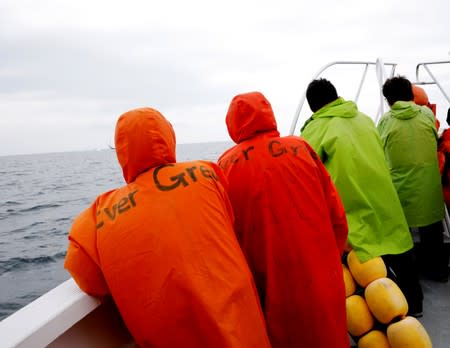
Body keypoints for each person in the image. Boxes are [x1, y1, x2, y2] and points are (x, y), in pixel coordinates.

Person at [64, 108, 271, 348]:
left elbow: (89, 279)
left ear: (122, 152)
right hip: (247, 335)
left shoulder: (96, 216)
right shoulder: (207, 173)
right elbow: (228, 220)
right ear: (169, 139)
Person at [218, 92, 349, 348]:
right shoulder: (301, 147)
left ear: (232, 125)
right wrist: (329, 261)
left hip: (271, 288)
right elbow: (337, 214)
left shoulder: (225, 167)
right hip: (321, 276)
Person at [301, 78, 423, 316]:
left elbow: (307, 169)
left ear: (314, 107)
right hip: (385, 199)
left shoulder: (315, 129)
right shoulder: (365, 119)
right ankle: (414, 304)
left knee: (364, 266)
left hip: (352, 206)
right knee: (397, 247)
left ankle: (381, 318)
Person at [379, 76, 448, 283]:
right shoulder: (427, 115)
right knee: (433, 233)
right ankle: (439, 271)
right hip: (430, 192)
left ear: (388, 101)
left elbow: (380, 151)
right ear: (411, 95)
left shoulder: (385, 122)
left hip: (401, 194)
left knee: (401, 234)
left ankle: (408, 275)